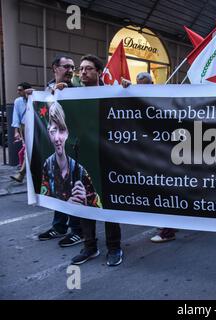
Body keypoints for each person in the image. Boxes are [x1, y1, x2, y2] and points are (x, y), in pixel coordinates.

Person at [71, 54, 123, 267]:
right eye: (81, 69)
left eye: (88, 68)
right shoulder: (72, 96)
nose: (83, 72)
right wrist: (56, 90)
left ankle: (114, 247)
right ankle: (89, 247)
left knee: (109, 206)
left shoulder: (111, 93)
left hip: (107, 159)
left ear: (99, 72)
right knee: (85, 204)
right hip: (83, 158)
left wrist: (128, 91)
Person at [122, 72, 178, 243]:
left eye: (146, 84)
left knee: (165, 191)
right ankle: (170, 225)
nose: (142, 87)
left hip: (165, 154)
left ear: (153, 83)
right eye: (138, 84)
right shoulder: (138, 99)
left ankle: (167, 231)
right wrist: (126, 89)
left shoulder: (162, 98)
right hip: (149, 154)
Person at [38, 56, 84, 247]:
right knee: (58, 186)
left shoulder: (77, 90)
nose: (71, 70)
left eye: (73, 67)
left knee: (73, 187)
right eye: (67, 67)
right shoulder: (47, 90)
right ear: (55, 68)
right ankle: (59, 226)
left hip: (73, 147)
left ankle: (77, 230)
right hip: (55, 149)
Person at [10, 82, 32, 183]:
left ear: (26, 90)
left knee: (29, 150)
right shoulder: (17, 101)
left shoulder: (34, 98)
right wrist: (16, 132)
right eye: (18, 90)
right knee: (28, 150)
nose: (18, 92)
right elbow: (16, 117)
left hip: (34, 126)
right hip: (24, 127)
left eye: (20, 90)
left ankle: (21, 174)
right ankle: (22, 174)